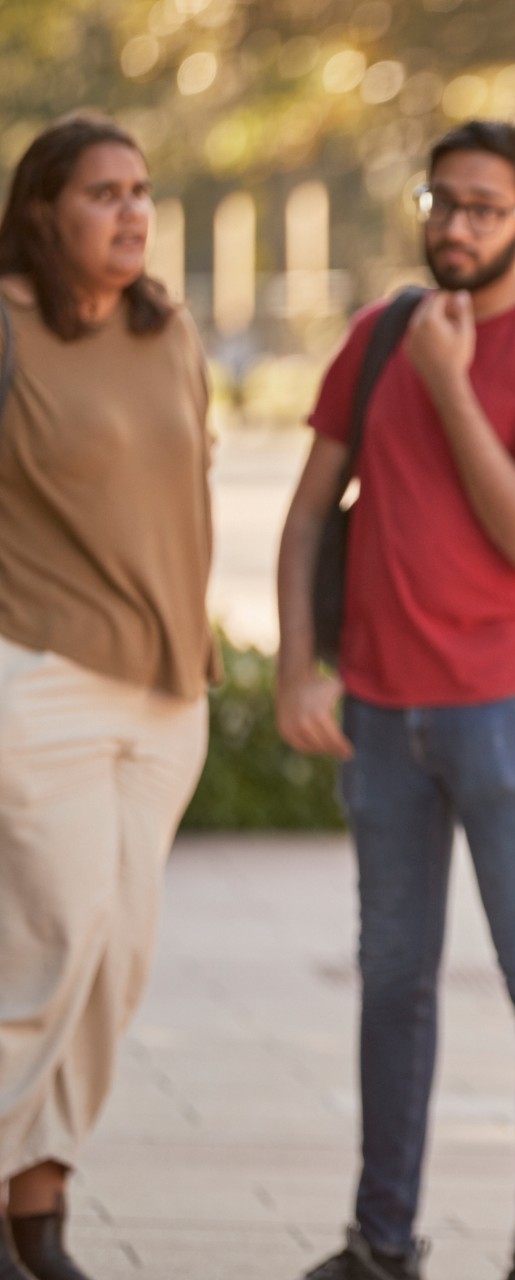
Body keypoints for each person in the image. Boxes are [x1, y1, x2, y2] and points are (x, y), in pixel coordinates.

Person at [276, 119, 515, 1280]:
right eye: (444, 200)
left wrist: (450, 383)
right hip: (379, 711)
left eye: (485, 206)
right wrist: (294, 664)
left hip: (507, 708)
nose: (458, 224)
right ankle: (381, 1239)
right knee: (392, 978)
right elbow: (312, 507)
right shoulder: (377, 336)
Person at [0, 113, 215, 1280]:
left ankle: (38, 1210)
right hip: (41, 680)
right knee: (48, 943)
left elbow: (191, 484)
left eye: (141, 190)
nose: (132, 212)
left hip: (165, 697)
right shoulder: (7, 325)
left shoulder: (166, 325)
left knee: (114, 964)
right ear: (45, 211)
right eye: (102, 193)